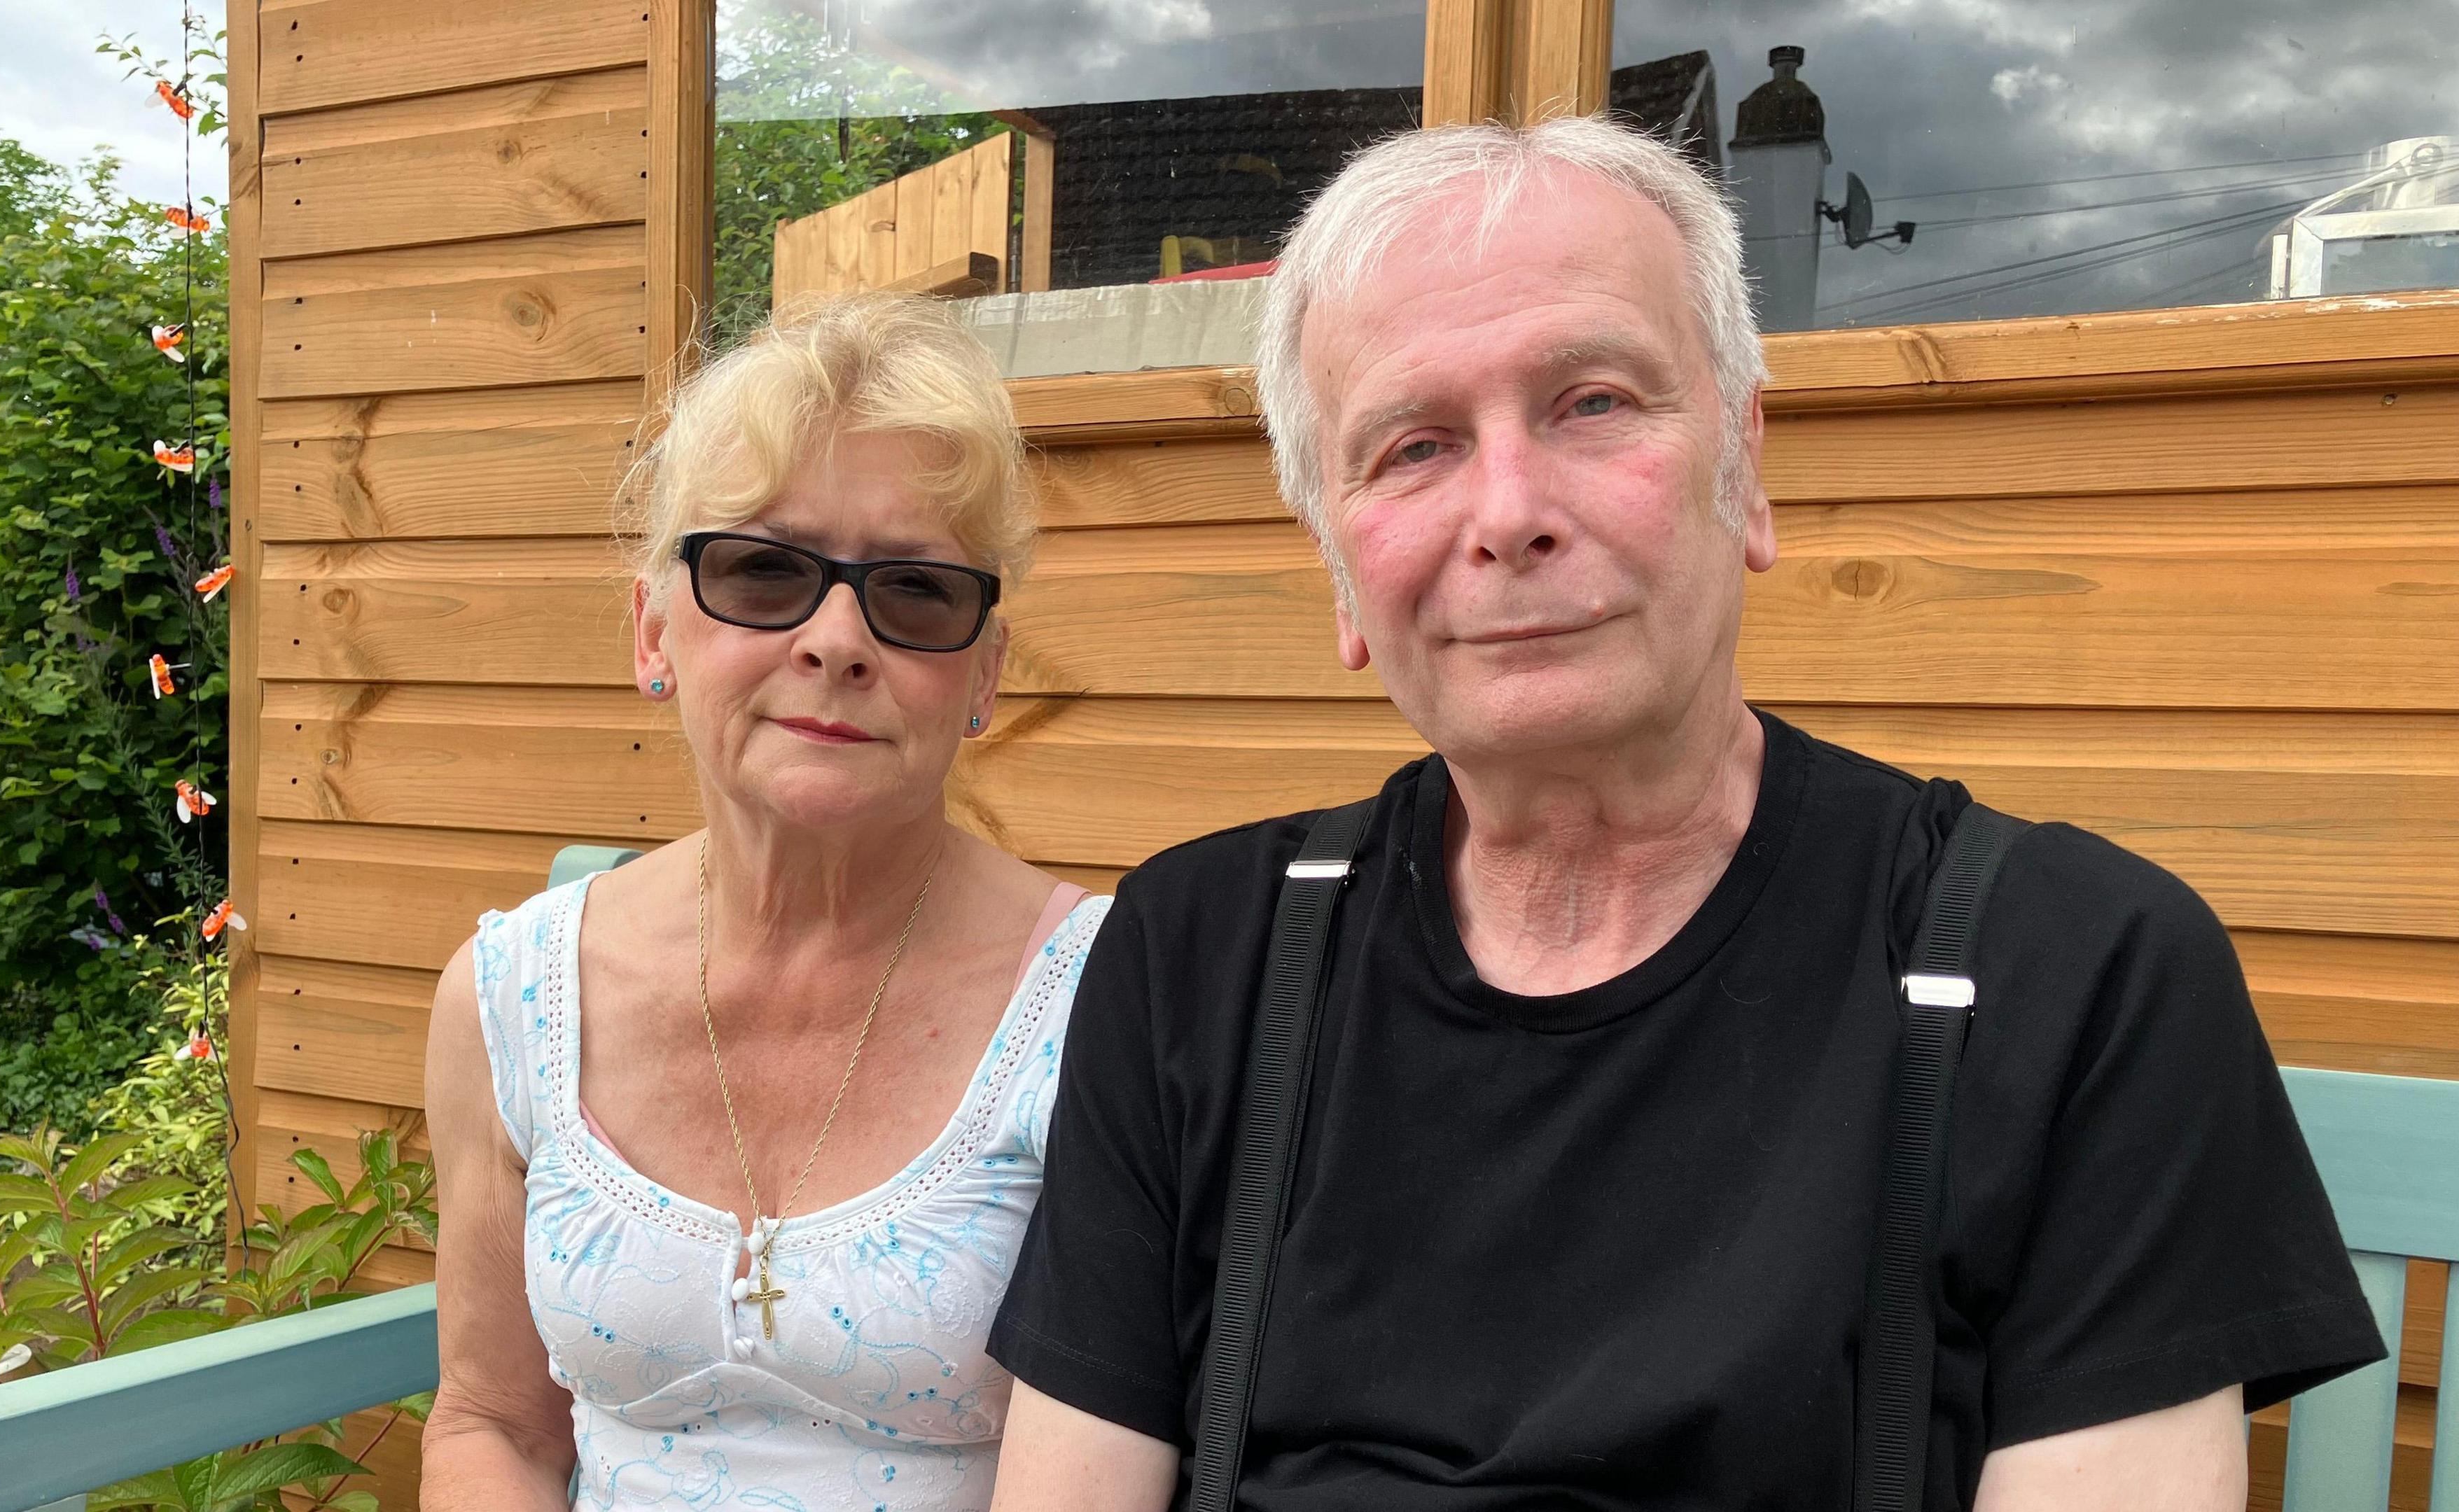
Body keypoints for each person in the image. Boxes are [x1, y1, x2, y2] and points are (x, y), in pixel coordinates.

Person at [986, 115, 2385, 1511]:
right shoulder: (1197, 955)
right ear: (1342, 575)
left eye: (1593, 402)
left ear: (1744, 466)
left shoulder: (2075, 972)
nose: (1510, 511)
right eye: (1413, 447)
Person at [422, 293, 1109, 1510]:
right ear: (651, 632)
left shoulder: (1105, 1002)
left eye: (915, 591)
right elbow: (494, 1426)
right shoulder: (515, 997)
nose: (838, 639)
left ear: (984, 675)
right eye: (762, 570)